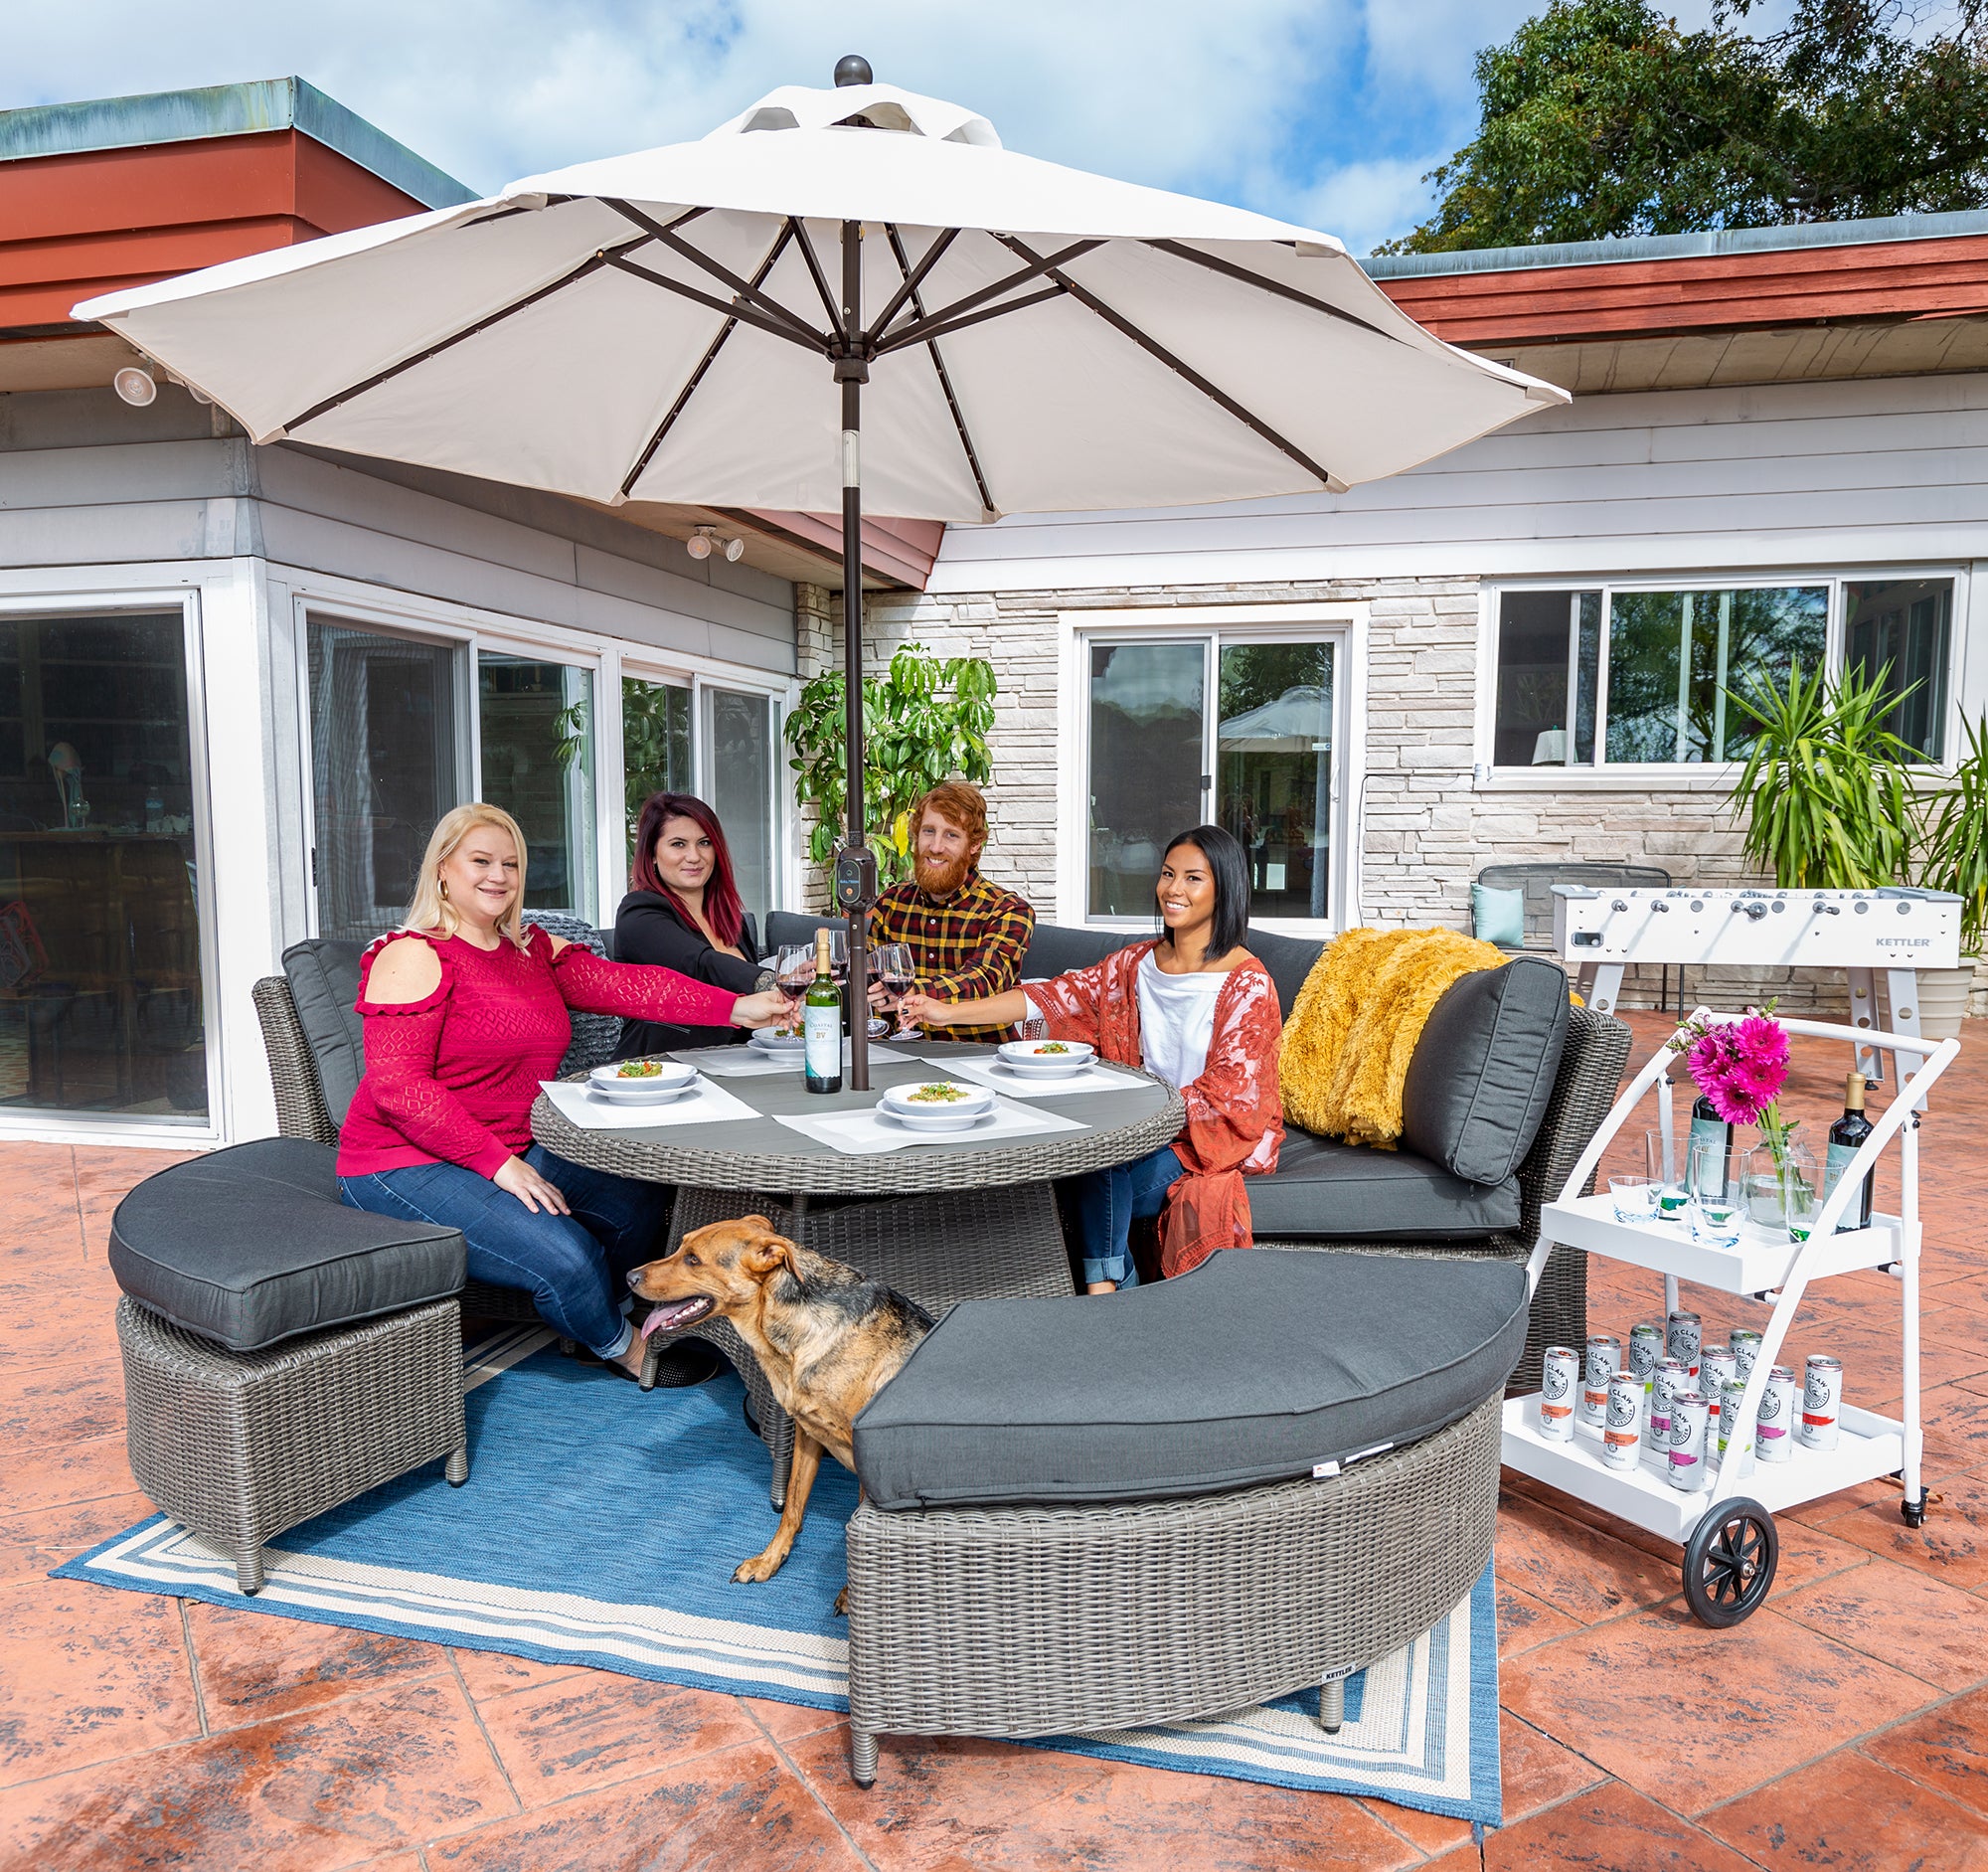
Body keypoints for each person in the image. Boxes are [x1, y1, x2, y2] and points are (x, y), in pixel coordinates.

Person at [336, 802, 788, 1378]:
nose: (498, 876)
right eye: (481, 861)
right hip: (402, 1161)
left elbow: (631, 987)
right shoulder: (412, 954)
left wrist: (738, 1006)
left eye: (511, 864)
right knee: (569, 1260)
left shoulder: (530, 948)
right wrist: (499, 1165)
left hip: (512, 1144)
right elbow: (398, 1088)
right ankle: (623, 1347)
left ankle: (598, 1309)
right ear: (443, 869)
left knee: (636, 1201)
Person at [901, 824, 1282, 1293]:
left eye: (1193, 878)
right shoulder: (1134, 965)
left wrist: (1139, 1114)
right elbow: (1051, 996)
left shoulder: (1247, 983)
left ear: (1225, 890)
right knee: (1094, 1152)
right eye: (1167, 874)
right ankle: (1111, 1285)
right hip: (1139, 1131)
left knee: (1101, 1162)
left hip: (1201, 1141)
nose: (1173, 889)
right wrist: (946, 1012)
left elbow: (1232, 1098)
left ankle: (1102, 1292)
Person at [867, 781, 1034, 1043]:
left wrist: (913, 991)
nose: (935, 847)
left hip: (981, 1055)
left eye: (951, 835)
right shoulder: (891, 903)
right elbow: (867, 970)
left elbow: (985, 981)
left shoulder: (1008, 911)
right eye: (928, 831)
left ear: (974, 844)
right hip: (900, 1054)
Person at [614, 791, 771, 1058]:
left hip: (734, 1066)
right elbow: (699, 963)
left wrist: (797, 980)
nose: (694, 856)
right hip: (656, 1069)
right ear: (652, 854)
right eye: (678, 844)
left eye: (704, 842)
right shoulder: (638, 914)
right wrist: (772, 982)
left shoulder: (732, 921)